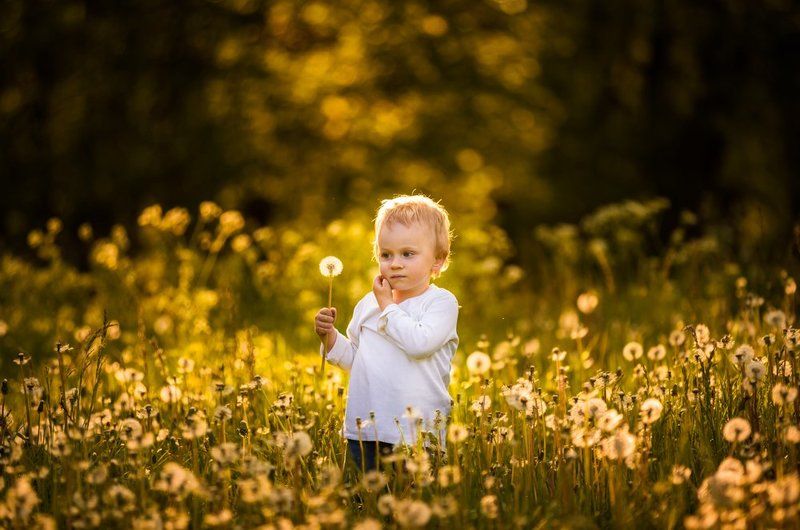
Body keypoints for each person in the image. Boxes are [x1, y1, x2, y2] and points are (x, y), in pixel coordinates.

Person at [314, 194, 459, 472]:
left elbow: (419, 344)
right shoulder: (368, 305)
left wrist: (387, 305)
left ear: (437, 261)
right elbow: (356, 361)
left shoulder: (441, 303)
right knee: (363, 502)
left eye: (408, 254)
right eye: (386, 254)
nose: (395, 263)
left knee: (412, 502)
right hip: (365, 429)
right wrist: (329, 338)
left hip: (416, 432)